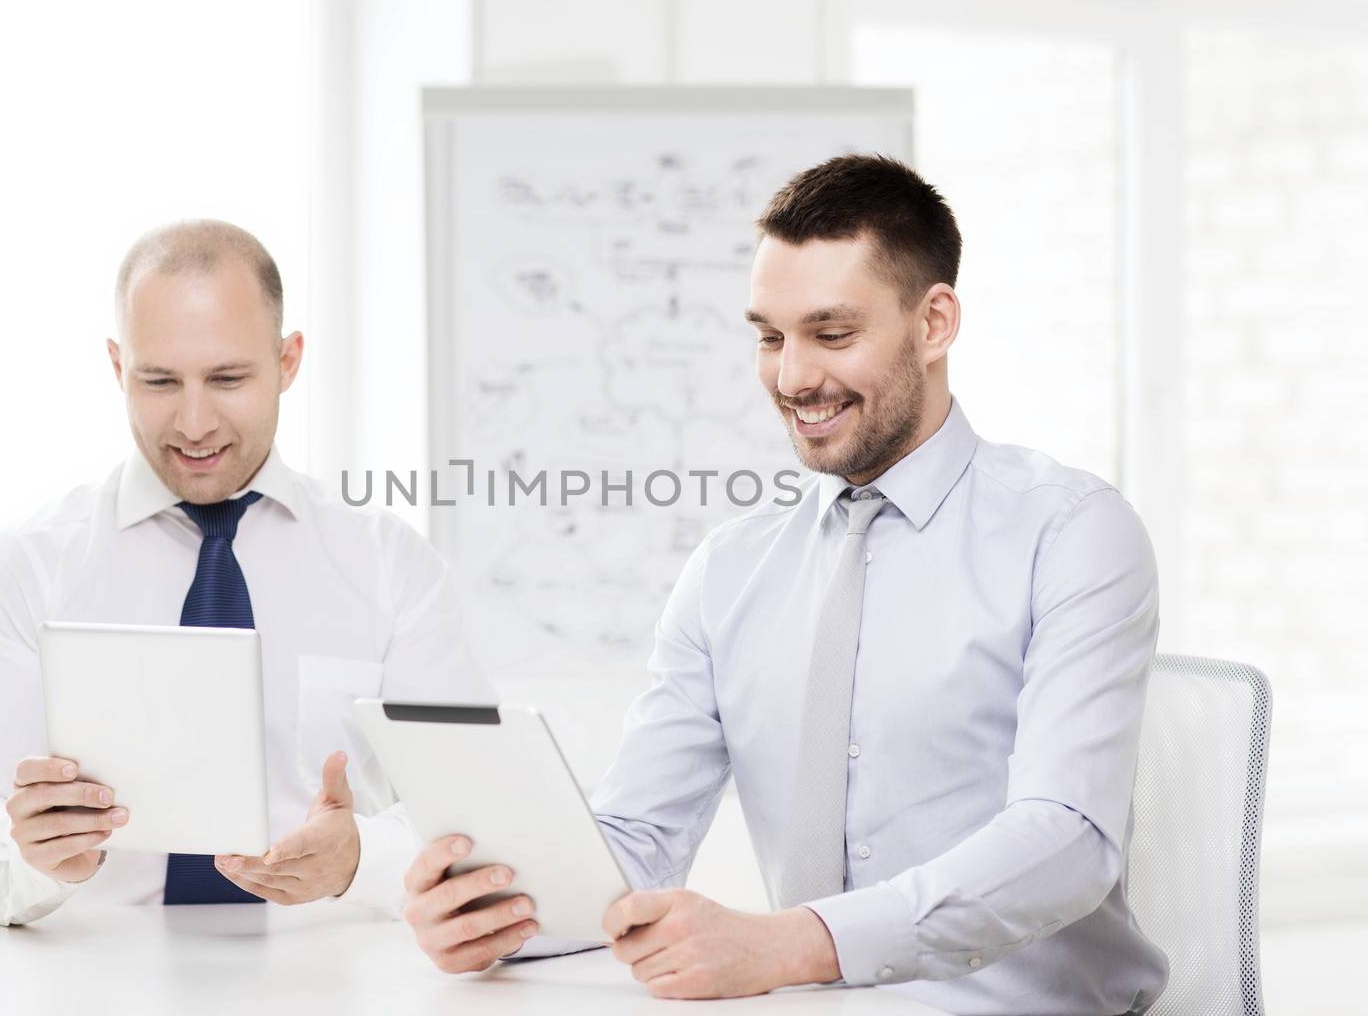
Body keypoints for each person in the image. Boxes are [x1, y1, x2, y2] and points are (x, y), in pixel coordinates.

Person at [400, 156, 1170, 1016]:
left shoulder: (1069, 533)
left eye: (832, 335)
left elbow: (1067, 840)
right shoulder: (731, 570)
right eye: (770, 337)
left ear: (936, 322)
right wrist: (501, 911)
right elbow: (639, 839)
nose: (793, 377)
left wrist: (791, 944)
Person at [0, 219, 492, 926]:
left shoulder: (391, 568)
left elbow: (479, 813)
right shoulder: (24, 569)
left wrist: (359, 860)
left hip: (330, 980)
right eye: (158, 380)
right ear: (116, 366)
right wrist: (28, 859)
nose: (194, 423)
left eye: (228, 379)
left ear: (288, 363)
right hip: (90, 982)